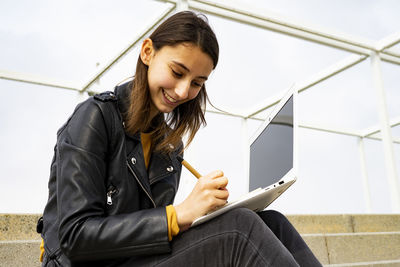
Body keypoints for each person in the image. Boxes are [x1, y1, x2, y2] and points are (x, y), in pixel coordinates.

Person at [38, 11, 322, 267]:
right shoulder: (95, 118)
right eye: (177, 72)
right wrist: (179, 214)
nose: (184, 91)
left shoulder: (170, 146)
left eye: (197, 83)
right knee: (239, 228)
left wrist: (202, 214)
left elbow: (152, 234)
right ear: (148, 52)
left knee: (273, 222)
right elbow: (75, 237)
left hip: (135, 259)